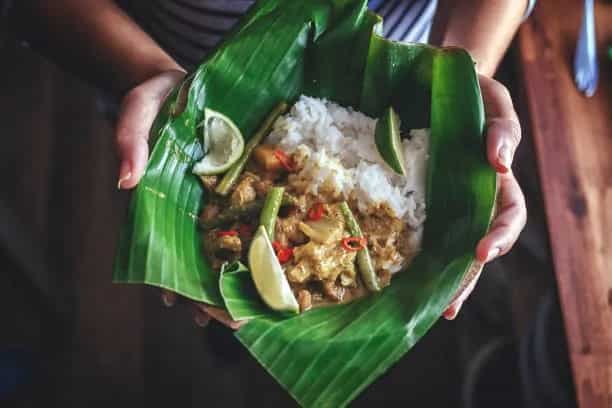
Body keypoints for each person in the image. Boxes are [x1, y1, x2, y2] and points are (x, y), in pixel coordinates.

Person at [12, 0, 529, 327]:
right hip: (180, 91)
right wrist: (148, 71)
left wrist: (457, 85)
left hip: (398, 72)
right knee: (212, 319)